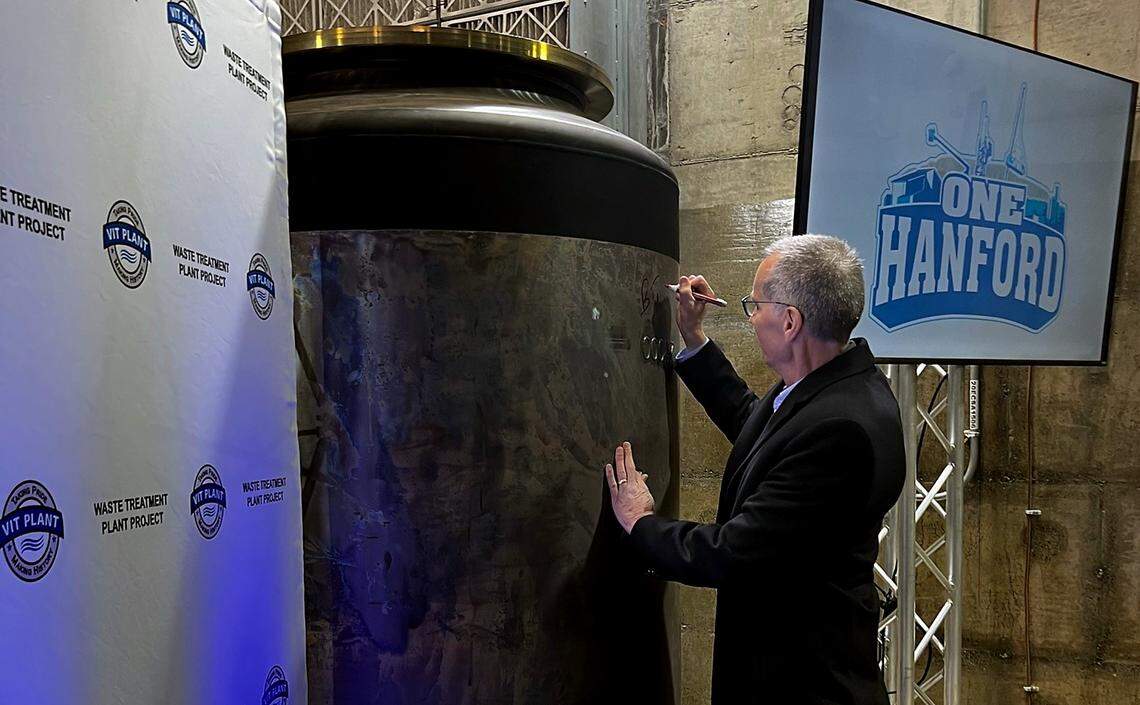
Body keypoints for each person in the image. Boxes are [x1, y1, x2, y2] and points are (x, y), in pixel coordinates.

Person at [604, 234, 905, 704]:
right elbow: (757, 427)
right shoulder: (833, 386)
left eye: (754, 305)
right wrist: (696, 340)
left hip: (802, 684)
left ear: (790, 321)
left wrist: (640, 524)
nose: (750, 318)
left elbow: (734, 553)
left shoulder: (841, 429)